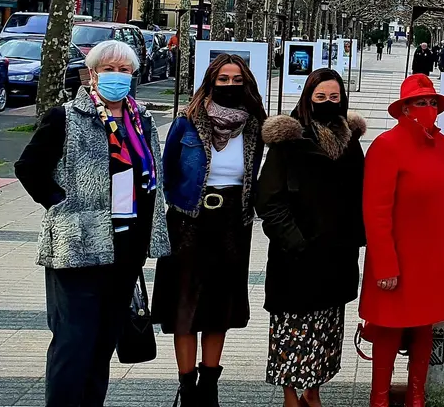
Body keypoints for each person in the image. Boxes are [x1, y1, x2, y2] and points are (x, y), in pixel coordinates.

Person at [13, 40, 170, 407]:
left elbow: (152, 178)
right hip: (78, 247)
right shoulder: (66, 117)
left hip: (127, 248)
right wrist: (61, 203)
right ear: (92, 74)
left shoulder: (142, 120)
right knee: (74, 342)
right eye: (108, 69)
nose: (117, 76)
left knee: (102, 344)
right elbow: (28, 168)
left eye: (124, 70)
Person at [152, 54, 265, 406]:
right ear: (211, 81)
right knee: (184, 308)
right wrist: (182, 205)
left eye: (237, 80)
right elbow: (167, 171)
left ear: (246, 84)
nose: (230, 85)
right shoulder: (186, 122)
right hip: (189, 222)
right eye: (223, 79)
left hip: (232, 224)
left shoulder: (254, 125)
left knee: (220, 308)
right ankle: (187, 388)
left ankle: (209, 386)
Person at [256, 68, 367, 407]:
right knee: (292, 330)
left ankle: (313, 392)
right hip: (296, 258)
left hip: (336, 257)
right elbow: (269, 199)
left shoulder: (350, 142)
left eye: (334, 97)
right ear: (308, 98)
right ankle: (291, 396)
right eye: (320, 97)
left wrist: (356, 237)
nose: (328, 102)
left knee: (326, 331)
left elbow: (360, 195)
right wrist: (296, 242)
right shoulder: (289, 140)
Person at [361, 74, 444, 407]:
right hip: (399, 254)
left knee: (423, 327)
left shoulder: (442, 144)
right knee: (388, 327)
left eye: (432, 102)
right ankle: (380, 396)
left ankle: (417, 394)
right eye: (421, 102)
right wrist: (385, 264)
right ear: (405, 108)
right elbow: (375, 210)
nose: (428, 108)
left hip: (433, 254)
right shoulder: (386, 145)